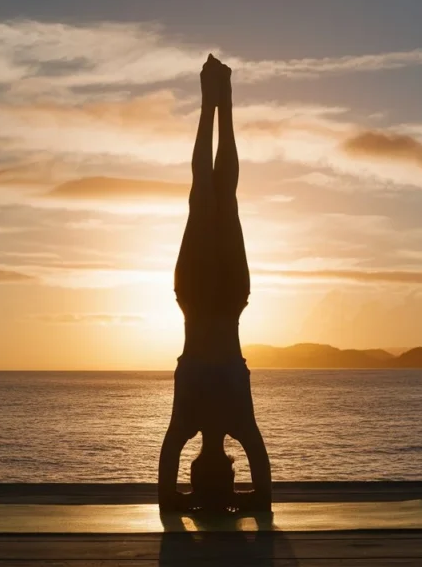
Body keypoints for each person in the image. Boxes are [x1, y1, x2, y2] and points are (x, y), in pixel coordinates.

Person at [157, 55, 272, 514]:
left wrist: (234, 505)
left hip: (224, 300)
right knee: (209, 194)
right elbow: (168, 481)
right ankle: (216, 104)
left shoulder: (228, 420)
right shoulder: (200, 420)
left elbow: (261, 486)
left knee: (218, 196)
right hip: (205, 299)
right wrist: (188, 505)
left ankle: (219, 104)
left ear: (228, 472)